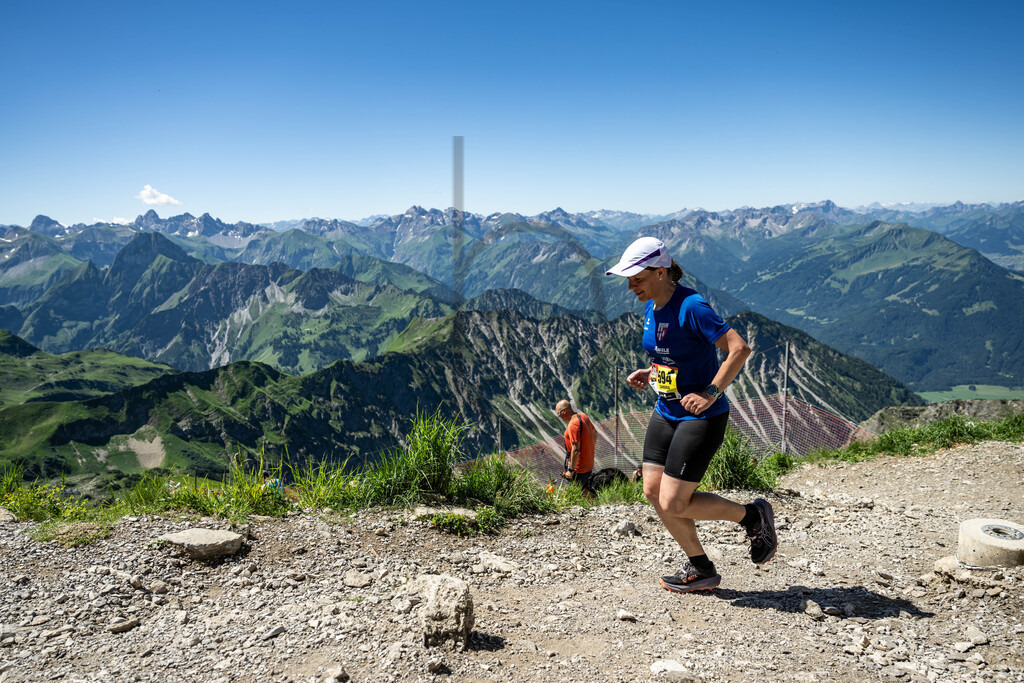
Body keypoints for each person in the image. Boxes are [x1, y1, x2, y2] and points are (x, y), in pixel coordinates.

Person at [606, 236, 777, 593]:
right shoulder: (652, 307)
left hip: (701, 417)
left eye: (637, 278)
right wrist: (650, 373)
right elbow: (671, 354)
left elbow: (738, 349)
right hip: (666, 409)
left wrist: (710, 392)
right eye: (629, 279)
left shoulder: (692, 306)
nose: (630, 286)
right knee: (652, 491)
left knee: (674, 501)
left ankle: (752, 516)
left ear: (661, 271)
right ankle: (701, 568)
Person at [554, 399, 596, 491]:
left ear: (564, 411)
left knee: (571, 494)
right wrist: (590, 449)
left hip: (578, 468)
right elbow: (594, 432)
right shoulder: (583, 416)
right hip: (588, 464)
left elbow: (575, 449)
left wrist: (571, 470)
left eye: (559, 413)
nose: (558, 416)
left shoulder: (573, 425)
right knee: (585, 491)